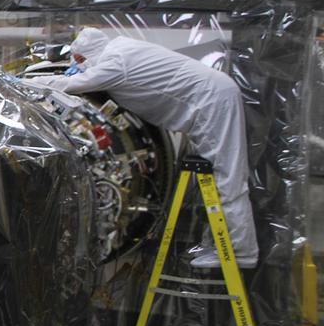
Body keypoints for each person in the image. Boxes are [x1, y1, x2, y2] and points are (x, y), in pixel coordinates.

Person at [32, 28, 257, 267]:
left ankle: (238, 251)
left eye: (78, 60)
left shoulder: (115, 62)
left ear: (86, 53)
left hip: (212, 101)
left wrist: (27, 82)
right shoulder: (122, 47)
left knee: (225, 175)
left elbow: (74, 84)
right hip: (211, 98)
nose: (76, 64)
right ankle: (220, 246)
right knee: (217, 176)